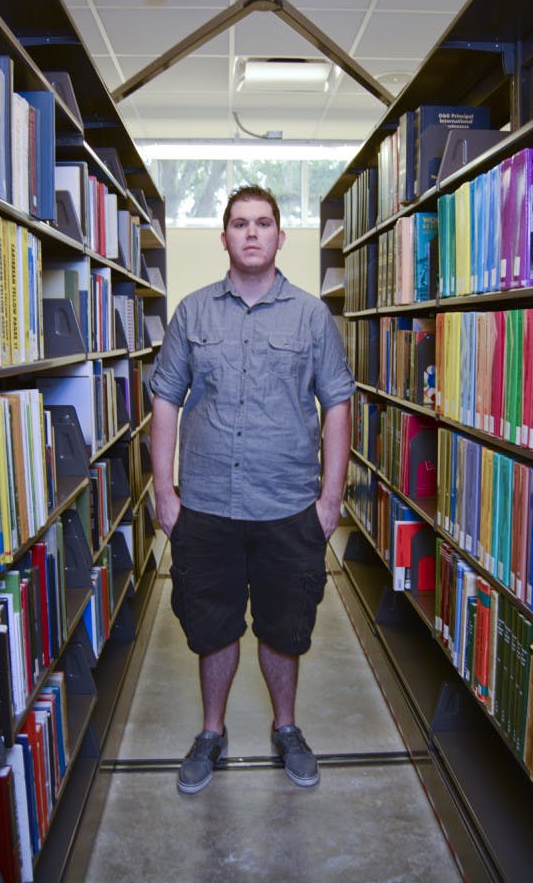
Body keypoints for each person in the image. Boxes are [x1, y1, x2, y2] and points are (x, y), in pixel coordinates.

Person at [150, 184, 355, 795]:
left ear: (280, 236)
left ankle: (286, 727)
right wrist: (165, 494)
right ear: (225, 237)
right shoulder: (192, 313)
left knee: (283, 627)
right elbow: (165, 399)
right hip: (207, 506)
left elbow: (337, 404)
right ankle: (212, 732)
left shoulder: (312, 316)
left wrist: (329, 499)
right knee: (212, 627)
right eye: (239, 223)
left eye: (263, 222)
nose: (252, 233)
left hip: (288, 507)